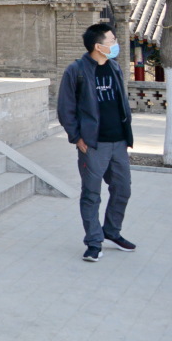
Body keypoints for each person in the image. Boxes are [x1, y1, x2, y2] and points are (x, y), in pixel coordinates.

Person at [57, 23, 135, 262]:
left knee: (122, 189)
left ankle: (111, 231)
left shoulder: (114, 67)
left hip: (119, 142)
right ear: (98, 46)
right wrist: (76, 137)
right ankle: (93, 242)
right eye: (111, 40)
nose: (115, 44)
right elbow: (65, 108)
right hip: (93, 145)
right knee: (91, 194)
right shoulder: (76, 71)